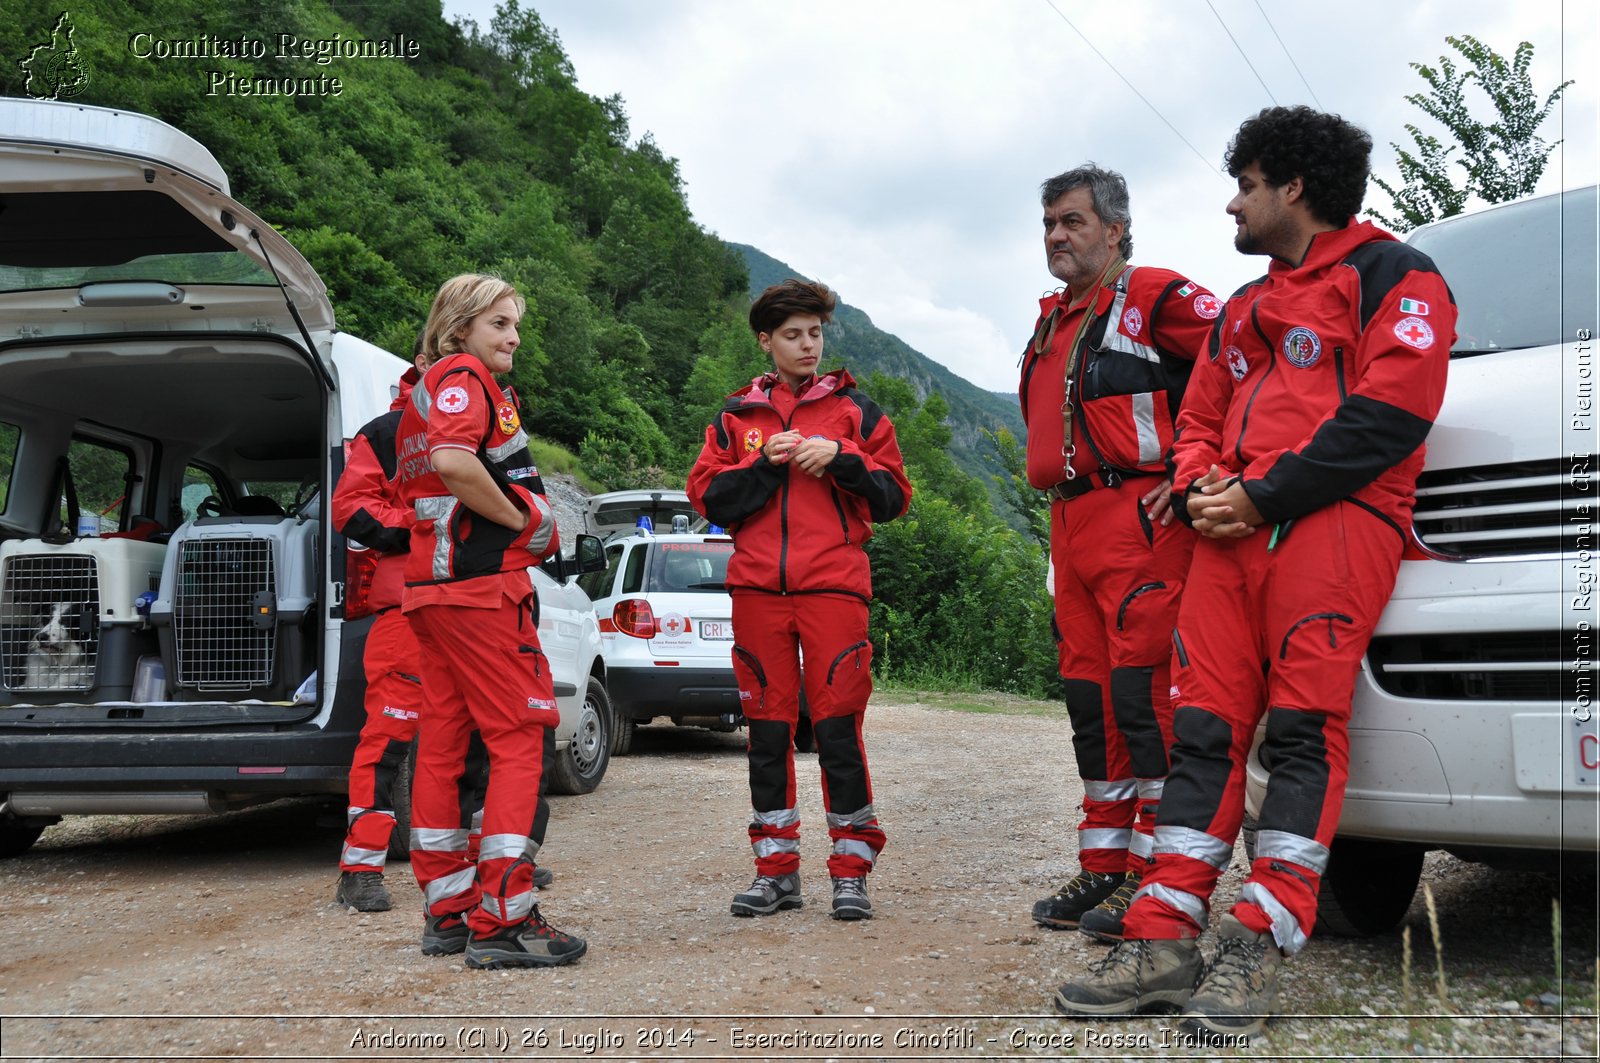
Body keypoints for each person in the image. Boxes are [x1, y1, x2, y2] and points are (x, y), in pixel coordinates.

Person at [1054, 106, 1455, 1036]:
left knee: (1303, 733)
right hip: (1226, 539)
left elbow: (1393, 414)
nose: (1231, 203)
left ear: (1293, 187)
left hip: (1335, 527)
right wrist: (1201, 489)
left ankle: (1259, 938)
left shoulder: (1397, 275)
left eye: (1244, 184)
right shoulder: (1242, 306)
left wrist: (1266, 495)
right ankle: (1162, 934)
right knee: (1200, 731)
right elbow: (1198, 420)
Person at [1020, 164, 1216, 942]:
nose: (1057, 236)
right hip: (1071, 529)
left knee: (1146, 702)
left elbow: (1243, 359)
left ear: (1115, 228)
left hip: (1143, 521)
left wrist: (1194, 467)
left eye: (1071, 221)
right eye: (1048, 224)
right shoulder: (1052, 320)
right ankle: (1105, 862)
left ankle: (1157, 875)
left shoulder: (1155, 297)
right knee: (1091, 704)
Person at [688, 279, 911, 921]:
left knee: (838, 728)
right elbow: (708, 498)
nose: (807, 345)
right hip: (758, 590)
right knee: (767, 730)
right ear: (766, 341)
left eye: (815, 333)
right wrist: (764, 466)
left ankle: (850, 870)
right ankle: (776, 871)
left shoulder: (857, 414)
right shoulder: (735, 418)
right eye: (793, 335)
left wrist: (842, 457)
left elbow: (895, 497)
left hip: (834, 589)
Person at [395, 273, 584, 969]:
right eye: (500, 323)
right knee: (519, 738)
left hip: (431, 590)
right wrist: (525, 519)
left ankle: (447, 911)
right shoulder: (463, 378)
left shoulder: (417, 394)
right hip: (480, 592)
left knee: (442, 744)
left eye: (515, 326)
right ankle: (505, 918)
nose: (512, 337)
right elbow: (453, 461)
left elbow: (424, 473)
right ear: (461, 326)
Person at [329, 338, 550, 913]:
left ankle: (487, 863)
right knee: (392, 734)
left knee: (477, 735)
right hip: (408, 602)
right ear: (424, 364)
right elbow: (350, 509)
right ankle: (362, 866)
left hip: (476, 591)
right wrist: (432, 524)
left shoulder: (493, 411)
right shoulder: (385, 431)